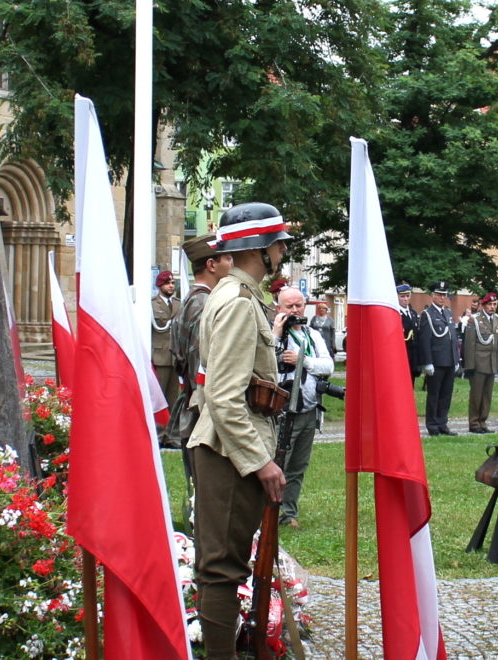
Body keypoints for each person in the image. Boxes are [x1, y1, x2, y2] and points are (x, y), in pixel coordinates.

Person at [188, 201, 291, 658]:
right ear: (262, 249)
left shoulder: (238, 296)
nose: (284, 251)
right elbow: (225, 397)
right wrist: (260, 462)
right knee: (222, 570)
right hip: (230, 453)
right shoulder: (237, 303)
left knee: (224, 568)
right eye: (279, 244)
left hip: (229, 448)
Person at [273, 287, 334, 529]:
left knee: (298, 466)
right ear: (279, 308)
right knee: (278, 464)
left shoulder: (312, 334)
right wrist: (277, 333)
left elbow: (327, 365)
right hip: (283, 410)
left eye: (299, 305)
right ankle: (268, 510)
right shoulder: (275, 335)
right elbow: (267, 362)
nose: (296, 310)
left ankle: (289, 513)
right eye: (289, 306)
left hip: (309, 409)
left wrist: (303, 360)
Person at [165, 234, 233, 449]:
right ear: (212, 265)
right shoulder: (203, 304)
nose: (233, 264)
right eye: (228, 259)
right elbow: (200, 365)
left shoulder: (194, 299)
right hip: (200, 413)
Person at [418, 281, 459, 436]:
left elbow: (453, 339)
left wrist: (456, 360)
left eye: (444, 295)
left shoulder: (447, 313)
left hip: (448, 360)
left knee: (446, 395)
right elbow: (425, 341)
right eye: (439, 295)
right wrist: (428, 362)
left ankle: (443, 423)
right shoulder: (427, 315)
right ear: (433, 296)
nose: (442, 298)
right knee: (434, 395)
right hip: (436, 361)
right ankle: (432, 424)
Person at [463, 292, 498, 433]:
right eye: (489, 304)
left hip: (491, 363)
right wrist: (470, 366)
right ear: (483, 305)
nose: (492, 307)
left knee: (487, 395)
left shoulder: (497, 319)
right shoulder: (475, 320)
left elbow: (497, 343)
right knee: (476, 395)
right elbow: (469, 344)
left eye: (494, 304)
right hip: (479, 364)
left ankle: (483, 421)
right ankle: (474, 423)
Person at [152, 269, 182, 444]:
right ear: (159, 285)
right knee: (158, 397)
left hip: (175, 356)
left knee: (174, 398)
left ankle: (171, 435)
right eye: (167, 283)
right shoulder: (152, 305)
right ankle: (158, 434)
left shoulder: (179, 304)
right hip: (160, 356)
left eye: (172, 283)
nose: (171, 286)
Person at [398, 282, 422, 382]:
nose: (406, 299)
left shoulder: (413, 313)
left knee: (411, 382)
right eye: (402, 296)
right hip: (401, 354)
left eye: (407, 296)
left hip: (413, 356)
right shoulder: (395, 314)